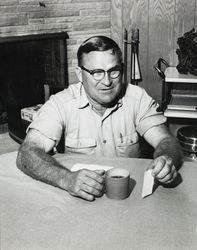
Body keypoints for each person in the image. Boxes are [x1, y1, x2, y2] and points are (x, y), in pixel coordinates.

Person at [16, 36, 183, 201]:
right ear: (80, 74)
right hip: (79, 199)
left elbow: (166, 141)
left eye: (114, 71)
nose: (107, 81)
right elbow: (27, 153)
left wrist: (166, 159)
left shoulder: (137, 98)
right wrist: (66, 179)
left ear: (122, 69)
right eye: (97, 73)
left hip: (129, 197)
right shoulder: (60, 103)